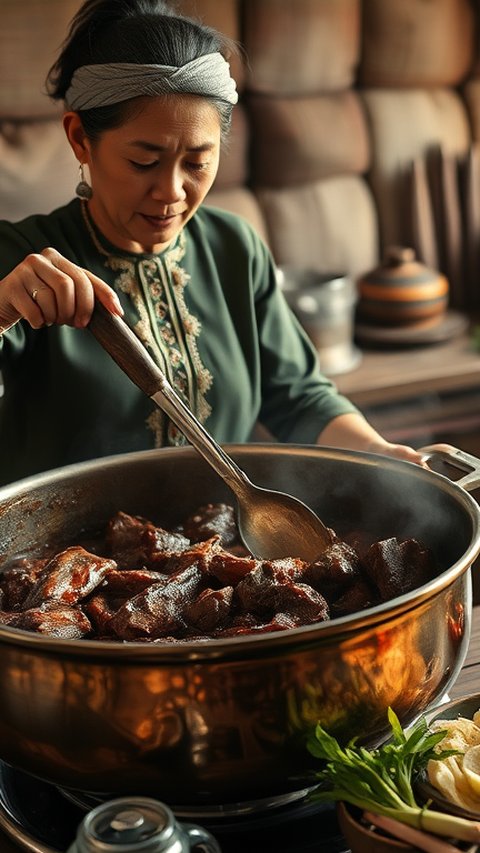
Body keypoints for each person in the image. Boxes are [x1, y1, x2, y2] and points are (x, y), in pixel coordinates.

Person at [0, 0, 423, 487]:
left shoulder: (234, 248)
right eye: (144, 162)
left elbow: (298, 397)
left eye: (198, 162)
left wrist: (382, 454)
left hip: (221, 543)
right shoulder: (19, 263)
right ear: (80, 139)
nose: (172, 192)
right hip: (58, 554)